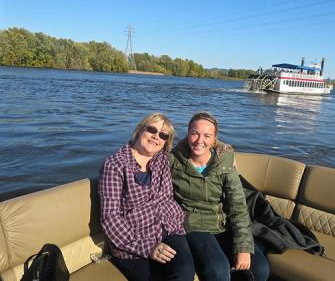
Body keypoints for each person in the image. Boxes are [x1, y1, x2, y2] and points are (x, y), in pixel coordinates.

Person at [170, 112, 269, 281]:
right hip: (193, 224)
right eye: (194, 133)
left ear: (215, 139)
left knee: (260, 269)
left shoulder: (224, 162)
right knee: (218, 271)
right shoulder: (173, 160)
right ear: (188, 133)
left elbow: (238, 205)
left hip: (223, 223)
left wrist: (243, 247)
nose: (199, 140)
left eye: (207, 136)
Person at [98, 113, 195, 281]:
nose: (156, 137)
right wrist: (148, 247)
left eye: (163, 135)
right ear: (139, 129)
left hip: (170, 229)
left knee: (185, 273)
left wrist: (222, 148)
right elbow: (110, 218)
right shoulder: (115, 165)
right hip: (133, 242)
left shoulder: (162, 158)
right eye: (152, 130)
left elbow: (198, 142)